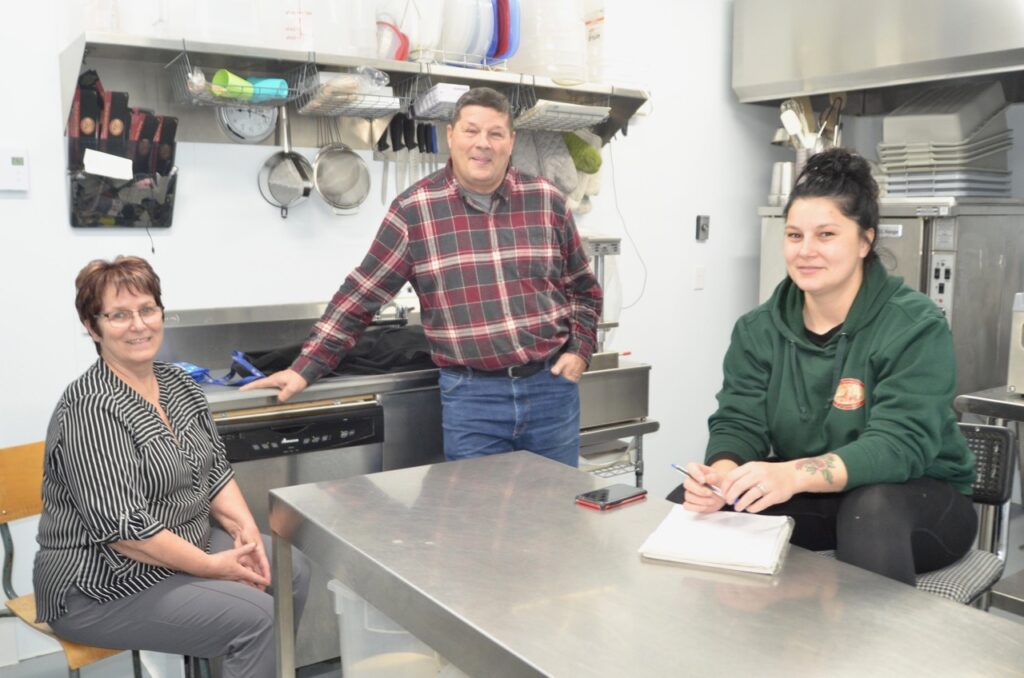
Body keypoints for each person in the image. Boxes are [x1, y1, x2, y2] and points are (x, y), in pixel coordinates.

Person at [243, 87, 602, 467]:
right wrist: (304, 368)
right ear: (451, 135)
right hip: (473, 400)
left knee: (557, 503)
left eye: (495, 133)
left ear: (510, 141)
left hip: (550, 391)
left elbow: (584, 290)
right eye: (471, 131)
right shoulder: (415, 210)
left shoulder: (546, 200)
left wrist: (580, 351)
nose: (483, 143)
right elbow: (360, 296)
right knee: (478, 505)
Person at [670, 148, 977, 585]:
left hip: (918, 496)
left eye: (826, 235)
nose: (806, 251)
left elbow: (898, 446)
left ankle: (871, 633)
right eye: (794, 235)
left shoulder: (914, 325)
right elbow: (739, 422)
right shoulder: (758, 328)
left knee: (869, 512)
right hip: (817, 494)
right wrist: (720, 478)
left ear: (865, 241)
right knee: (689, 508)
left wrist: (790, 474)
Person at [33, 256, 310, 678]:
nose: (138, 325)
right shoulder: (90, 408)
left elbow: (215, 471)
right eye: (119, 315)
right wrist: (212, 567)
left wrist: (246, 532)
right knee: (259, 619)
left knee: (291, 571)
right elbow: (126, 531)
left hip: (185, 545)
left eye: (147, 309)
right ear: (93, 327)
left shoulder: (179, 384)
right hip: (100, 583)